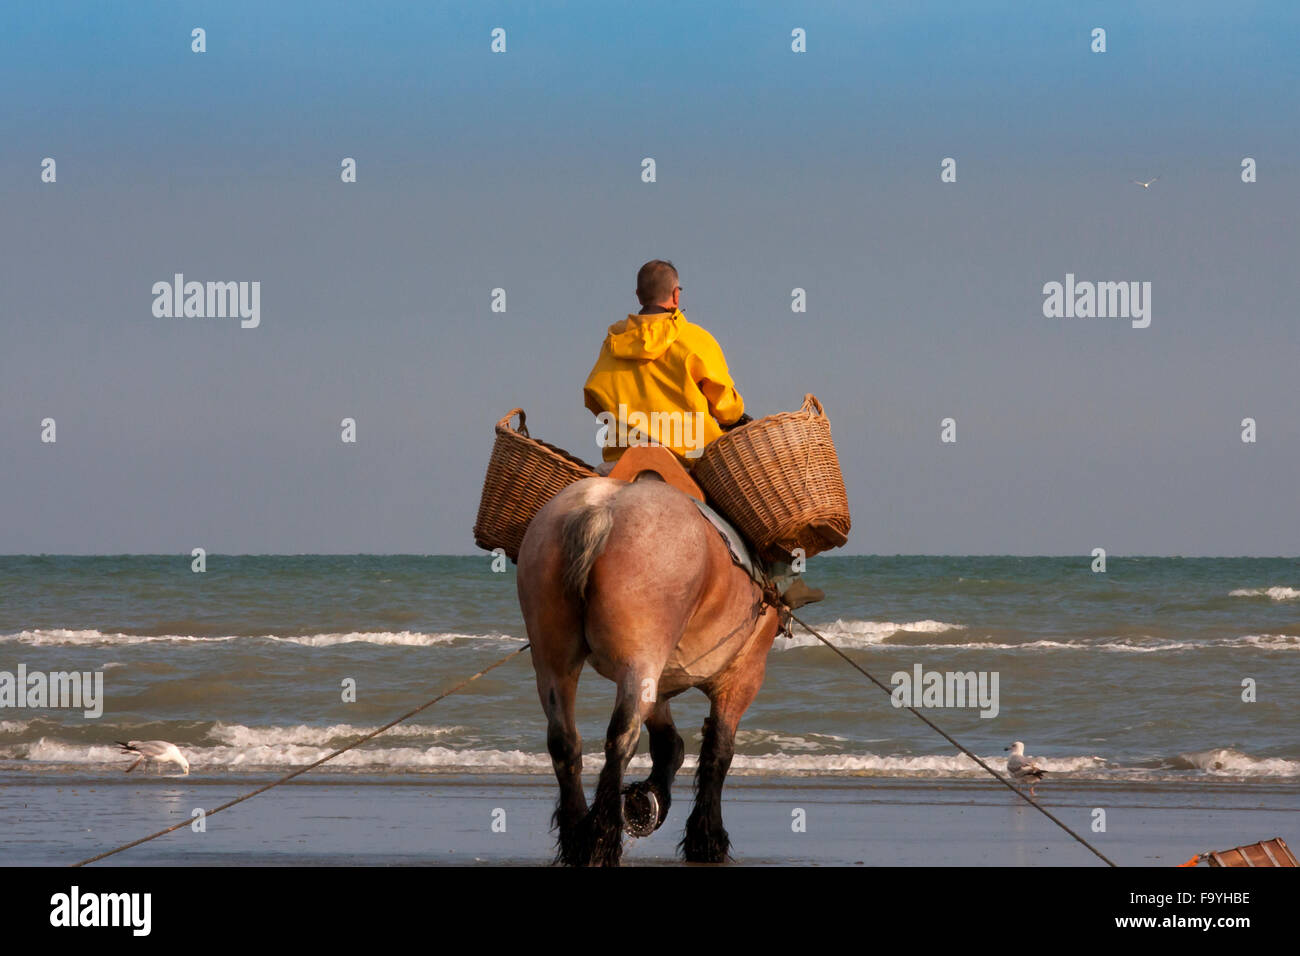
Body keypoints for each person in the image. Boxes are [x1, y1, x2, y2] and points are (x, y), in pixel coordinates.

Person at [581, 259, 823, 609]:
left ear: (638, 295)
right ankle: (785, 584)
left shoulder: (612, 343)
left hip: (624, 459)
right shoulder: (694, 339)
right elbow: (727, 407)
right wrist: (733, 413)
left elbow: (593, 397)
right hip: (689, 460)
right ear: (676, 296)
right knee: (760, 504)